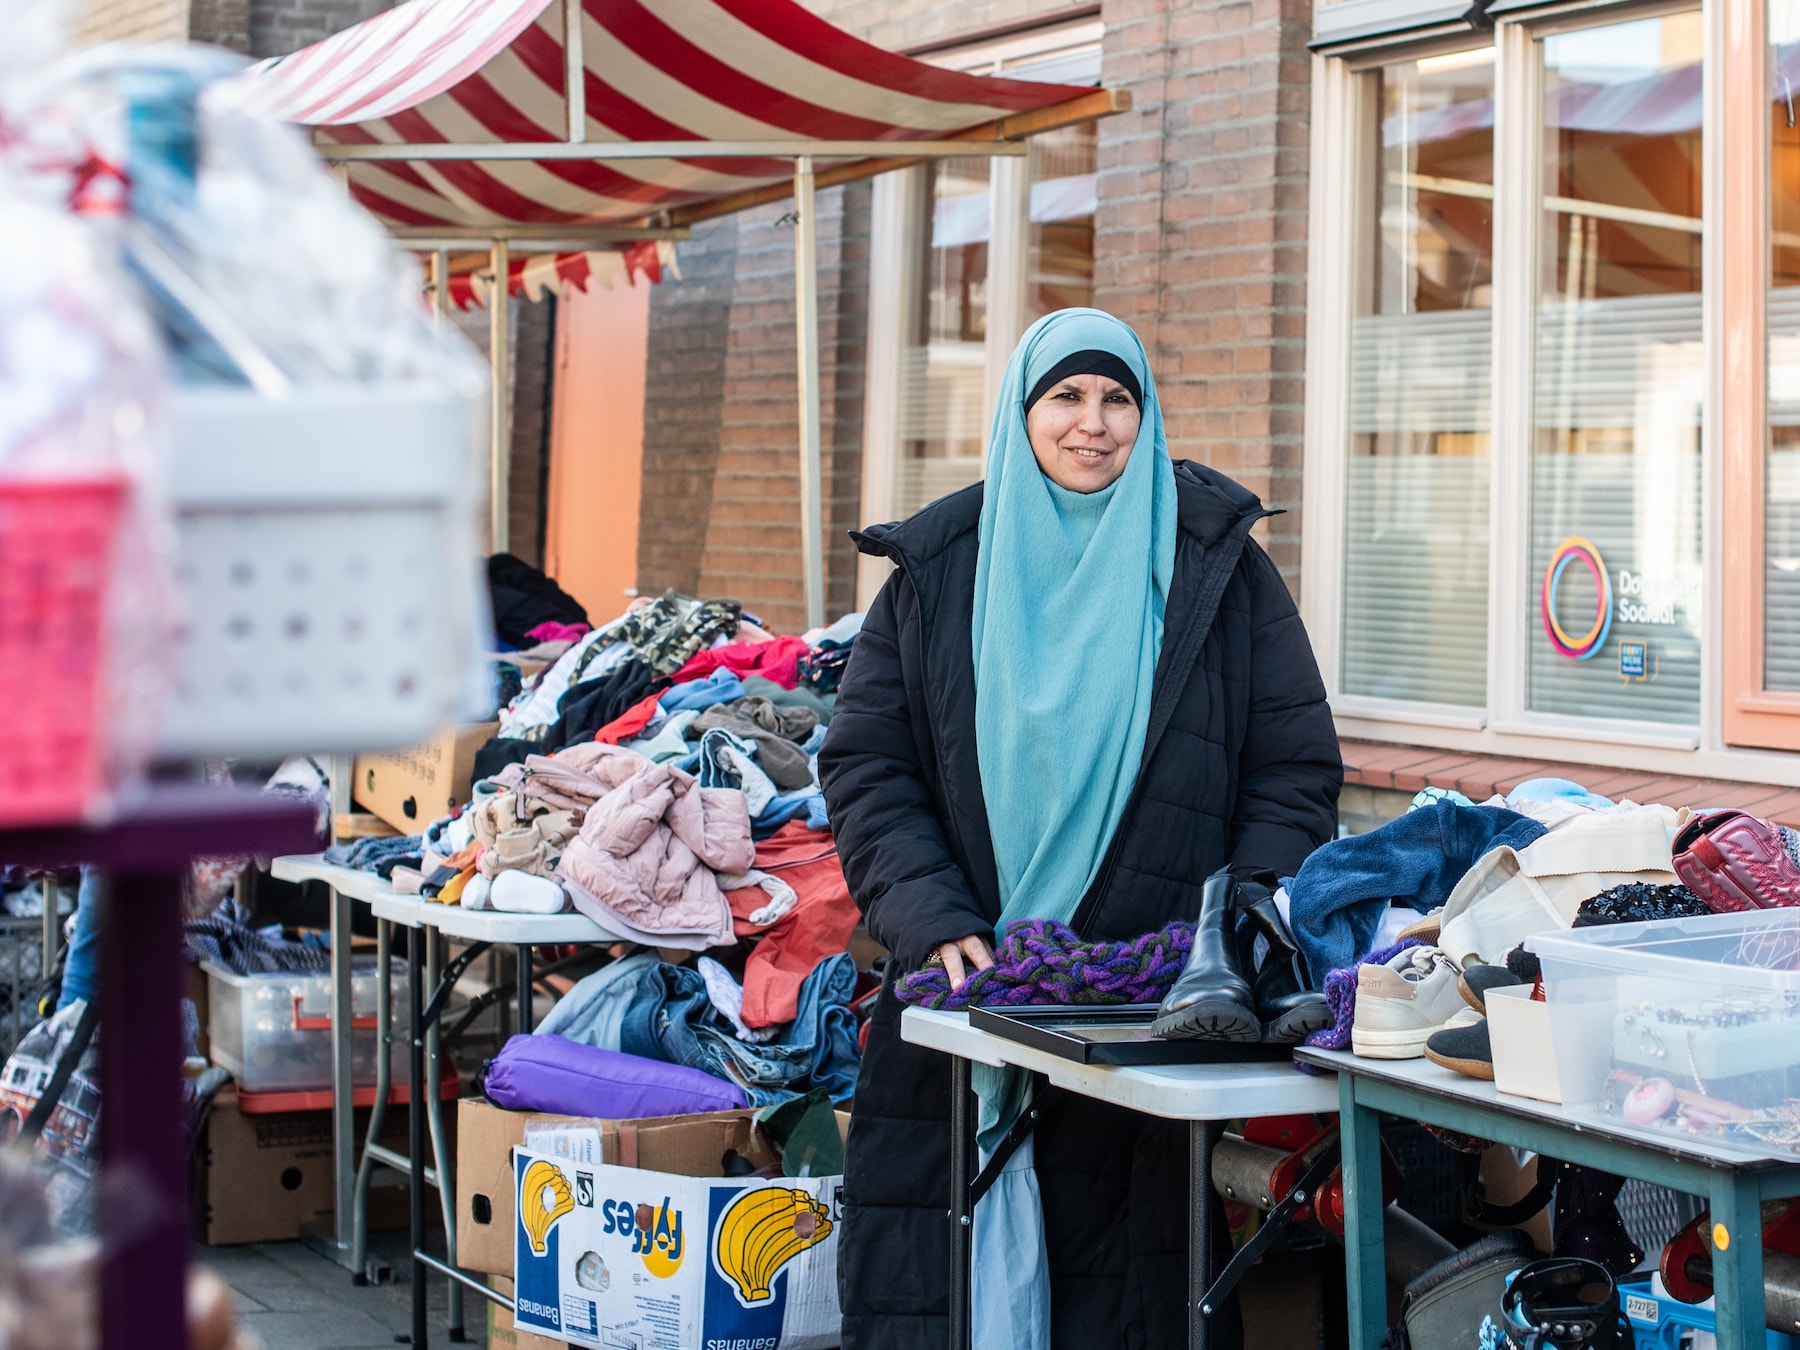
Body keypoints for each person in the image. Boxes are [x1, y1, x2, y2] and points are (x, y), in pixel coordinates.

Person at [819, 308, 1343, 1350]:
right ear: (1021, 413)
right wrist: (930, 914)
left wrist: (1231, 926)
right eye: (1065, 396)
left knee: (1127, 1303)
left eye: (1117, 399)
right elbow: (869, 766)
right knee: (945, 1296)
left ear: (1147, 418)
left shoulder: (1218, 567)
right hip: (972, 992)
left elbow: (1292, 771)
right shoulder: (939, 567)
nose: (1092, 423)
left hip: (1146, 1006)